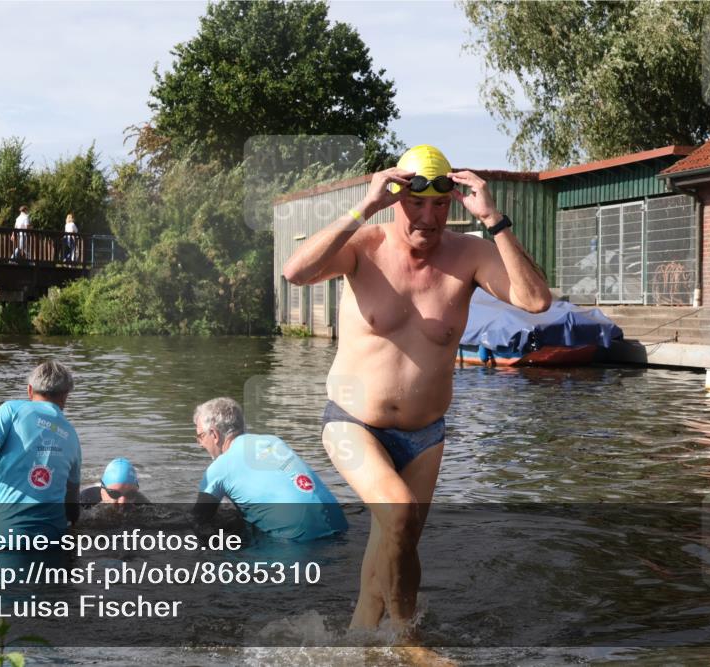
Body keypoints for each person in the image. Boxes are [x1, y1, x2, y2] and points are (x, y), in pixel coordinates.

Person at [283, 144, 551, 634]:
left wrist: (494, 218)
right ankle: (410, 641)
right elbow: (295, 272)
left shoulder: (470, 254)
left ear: (453, 201)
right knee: (400, 515)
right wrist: (364, 206)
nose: (428, 218)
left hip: (425, 437)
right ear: (396, 199)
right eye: (416, 203)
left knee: (395, 550)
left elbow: (535, 300)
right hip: (353, 423)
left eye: (440, 205)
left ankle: (360, 645)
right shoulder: (365, 244)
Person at [191, 397, 347, 542]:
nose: (200, 444)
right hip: (339, 526)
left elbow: (199, 519)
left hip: (296, 541)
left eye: (201, 436)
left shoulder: (218, 468)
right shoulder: (273, 441)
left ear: (214, 434)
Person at [0, 360, 82, 541]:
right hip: (50, 541)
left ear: (30, 390)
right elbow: (72, 510)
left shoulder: (10, 410)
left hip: (1, 537)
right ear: (65, 396)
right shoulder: (72, 435)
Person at [79, 457, 150, 507]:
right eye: (114, 494)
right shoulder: (85, 501)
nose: (122, 502)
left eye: (130, 494)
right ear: (102, 491)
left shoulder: (145, 505)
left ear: (137, 490)